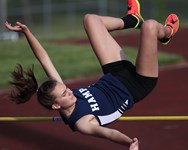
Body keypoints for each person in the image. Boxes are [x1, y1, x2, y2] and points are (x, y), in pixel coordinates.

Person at [5, 0, 179, 149]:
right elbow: (110, 134)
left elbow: (44, 58)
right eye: (65, 94)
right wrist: (129, 143)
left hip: (116, 73)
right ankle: (167, 33)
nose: (70, 91)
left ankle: (132, 20)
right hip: (138, 84)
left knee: (91, 20)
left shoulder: (59, 92)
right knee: (149, 27)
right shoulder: (81, 122)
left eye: (66, 88)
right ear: (56, 106)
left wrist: (27, 33)